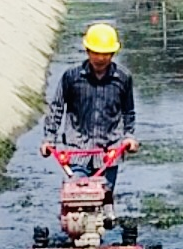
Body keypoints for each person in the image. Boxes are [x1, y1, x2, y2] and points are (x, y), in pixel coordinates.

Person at [43, 22, 137, 189]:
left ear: (113, 53)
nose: (100, 58)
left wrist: (129, 136)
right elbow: (57, 108)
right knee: (77, 195)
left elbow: (128, 111)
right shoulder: (71, 77)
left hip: (109, 152)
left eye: (106, 54)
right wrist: (49, 139)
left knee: (104, 196)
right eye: (96, 53)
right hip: (77, 149)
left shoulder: (123, 78)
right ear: (87, 51)